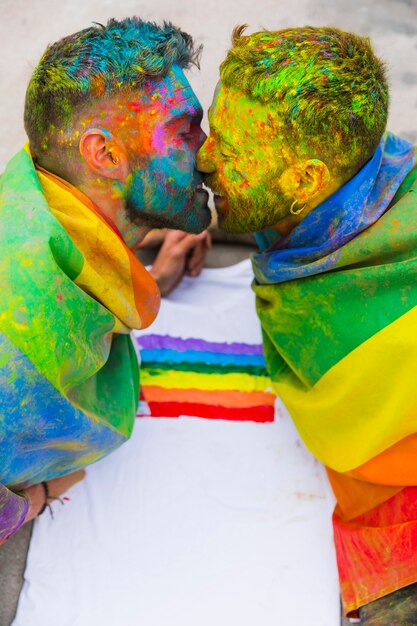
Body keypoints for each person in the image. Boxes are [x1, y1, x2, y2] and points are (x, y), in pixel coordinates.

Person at [198, 25, 417, 623]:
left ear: (305, 182)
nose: (203, 158)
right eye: (214, 130)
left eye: (230, 151)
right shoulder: (368, 172)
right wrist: (190, 217)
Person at [0, 17, 211, 544]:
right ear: (107, 156)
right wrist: (34, 501)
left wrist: (136, 276)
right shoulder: (20, 337)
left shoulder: (35, 192)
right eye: (186, 133)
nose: (209, 155)